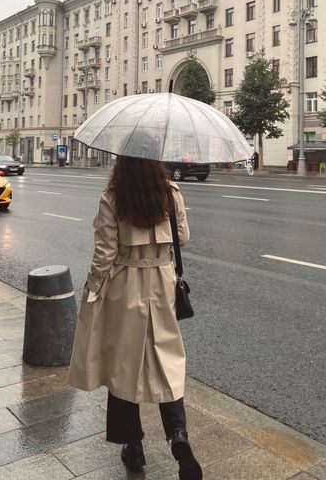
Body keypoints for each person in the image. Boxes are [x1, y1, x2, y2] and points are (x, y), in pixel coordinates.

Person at [69, 155, 202, 480]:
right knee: (166, 362)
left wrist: (92, 289)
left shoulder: (113, 196)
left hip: (126, 286)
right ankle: (177, 435)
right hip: (162, 283)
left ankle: (134, 447)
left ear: (122, 163)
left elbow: (105, 253)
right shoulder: (170, 192)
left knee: (121, 367)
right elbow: (182, 237)